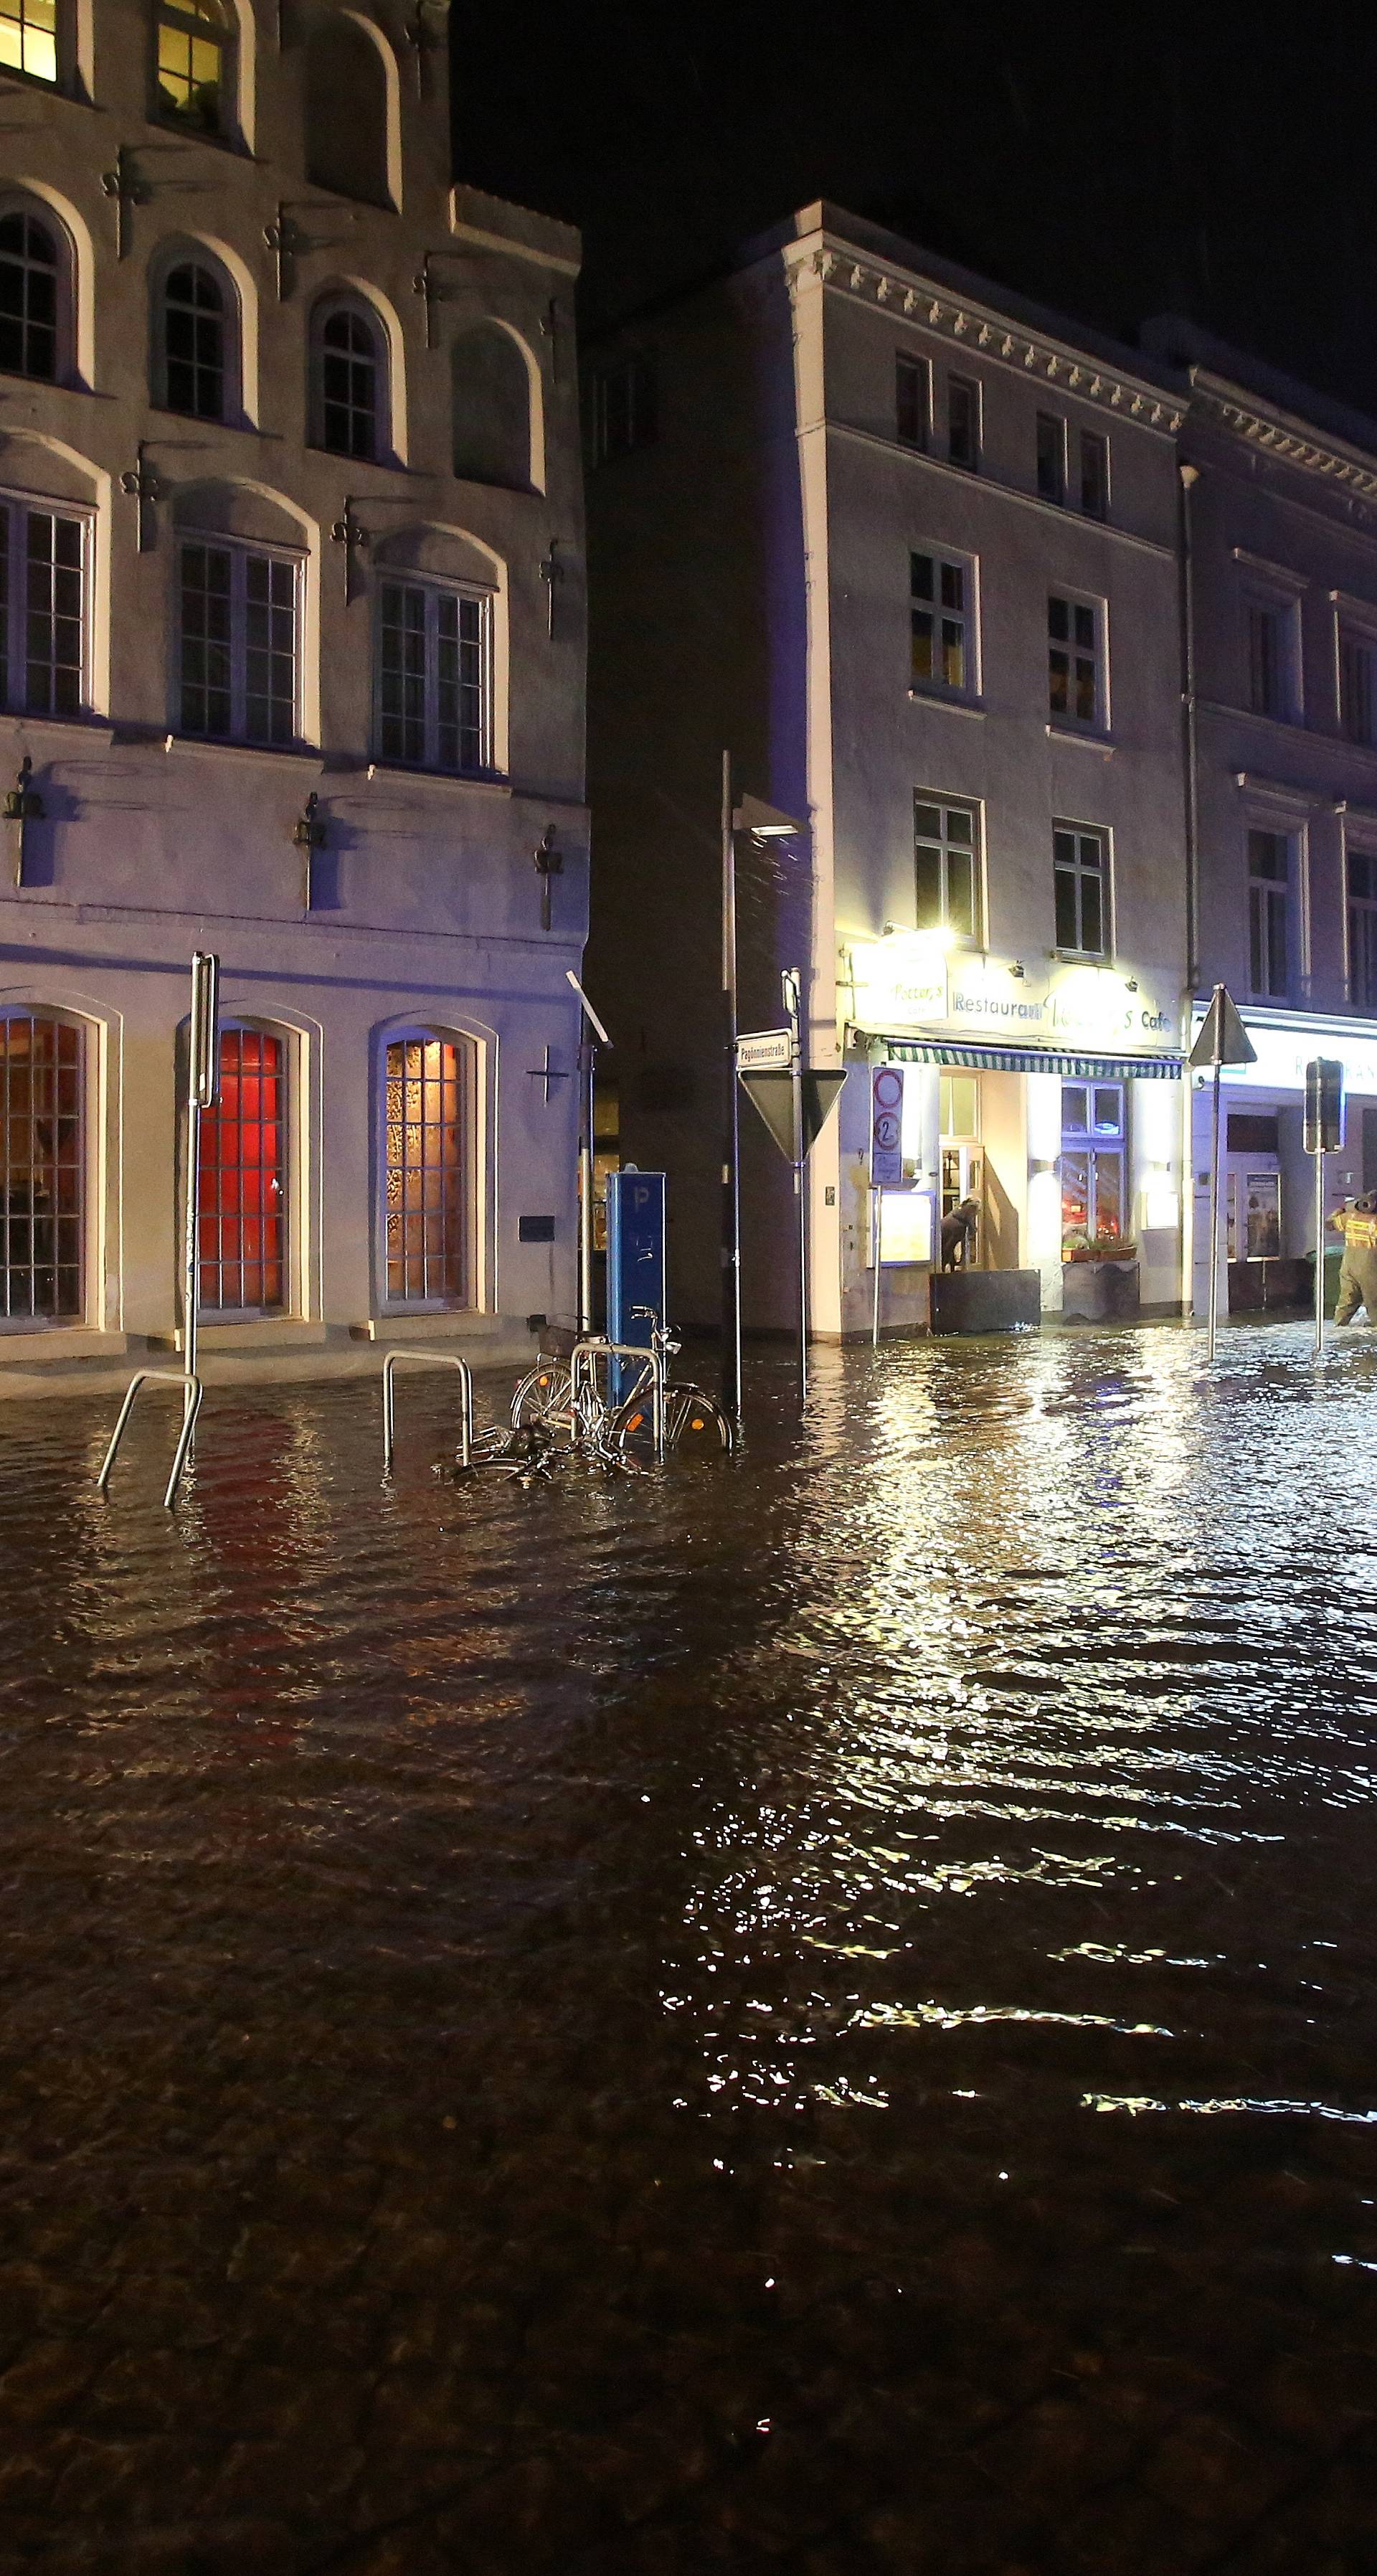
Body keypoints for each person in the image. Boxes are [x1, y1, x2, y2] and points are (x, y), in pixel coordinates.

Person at [1332, 1192, 1377, 1324]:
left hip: (1349, 1268)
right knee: (1374, 1306)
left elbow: (1329, 1224)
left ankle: (1338, 1330)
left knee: (1345, 1305)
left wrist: (1345, 1208)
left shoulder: (1350, 1217)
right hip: (1370, 1271)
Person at [940, 1194, 980, 1271]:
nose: (976, 1214)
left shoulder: (954, 1215)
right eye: (977, 1211)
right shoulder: (958, 1226)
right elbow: (948, 1247)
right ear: (971, 1210)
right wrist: (946, 1267)